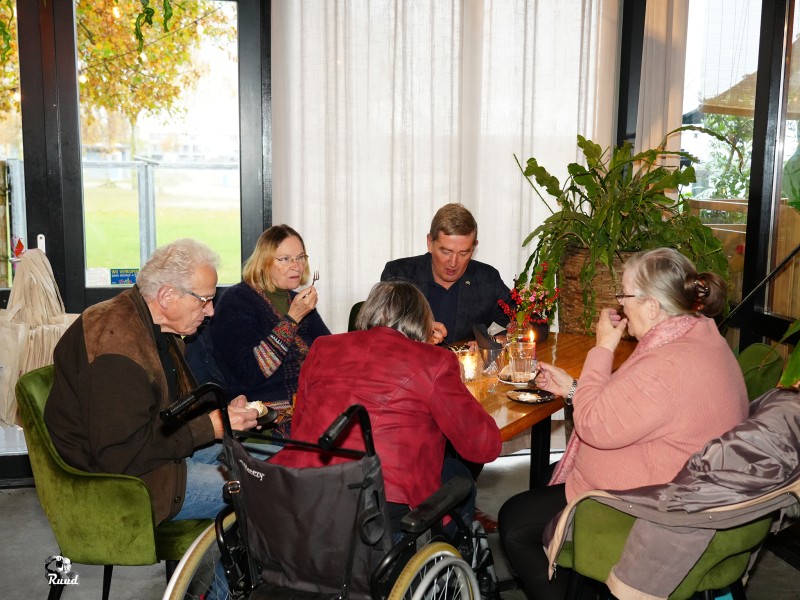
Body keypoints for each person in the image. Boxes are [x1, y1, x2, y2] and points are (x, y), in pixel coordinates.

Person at [498, 248, 750, 600]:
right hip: (686, 488)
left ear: (651, 307)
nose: (619, 303)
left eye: (625, 294)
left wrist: (603, 348)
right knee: (547, 478)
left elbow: (593, 425)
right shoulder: (699, 337)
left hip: (652, 511)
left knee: (513, 523)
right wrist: (574, 389)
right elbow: (634, 411)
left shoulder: (667, 365)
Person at [44, 239, 259, 524]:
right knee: (260, 491)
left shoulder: (153, 324)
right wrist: (209, 426)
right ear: (167, 295)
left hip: (154, 459)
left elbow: (167, 409)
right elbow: (119, 455)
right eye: (204, 300)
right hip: (120, 484)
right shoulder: (115, 347)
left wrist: (221, 412)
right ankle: (224, 570)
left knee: (266, 462)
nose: (210, 311)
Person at [270, 280, 502, 534]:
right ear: (421, 321)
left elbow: (300, 425)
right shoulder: (435, 360)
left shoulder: (323, 347)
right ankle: (454, 551)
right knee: (459, 474)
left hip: (310, 484)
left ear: (368, 312)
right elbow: (484, 447)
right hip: (382, 501)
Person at [200, 225, 330, 429]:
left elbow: (327, 352)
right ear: (264, 262)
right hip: (265, 416)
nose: (297, 266)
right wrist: (292, 318)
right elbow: (249, 372)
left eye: (300, 257)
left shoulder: (295, 300)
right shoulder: (238, 301)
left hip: (310, 407)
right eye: (285, 259)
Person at [380, 203, 511, 345]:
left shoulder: (487, 279)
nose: (453, 263)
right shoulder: (398, 274)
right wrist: (418, 330)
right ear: (430, 243)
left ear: (474, 248)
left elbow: (525, 323)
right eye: (446, 252)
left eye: (463, 253)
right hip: (410, 364)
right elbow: (379, 329)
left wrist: (495, 340)